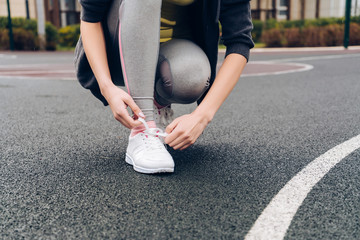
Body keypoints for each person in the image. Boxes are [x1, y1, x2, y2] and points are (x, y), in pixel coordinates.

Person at [75, 0, 254, 174]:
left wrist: (202, 116)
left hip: (169, 53)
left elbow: (240, 40)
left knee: (192, 76)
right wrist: (107, 87)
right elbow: (91, 18)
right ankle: (142, 130)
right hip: (116, 52)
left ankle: (157, 104)